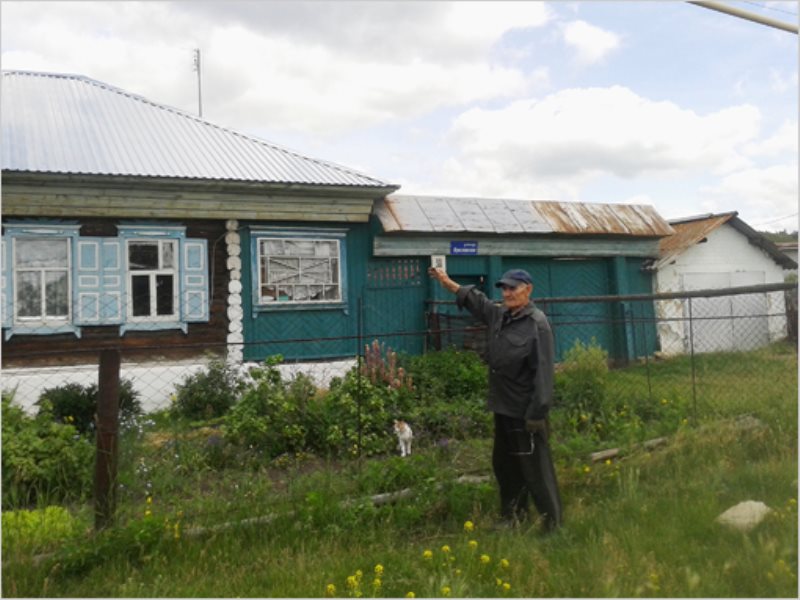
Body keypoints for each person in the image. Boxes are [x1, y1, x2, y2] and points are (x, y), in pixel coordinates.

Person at [428, 266, 562, 532]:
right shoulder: (500, 316)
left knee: (536, 470)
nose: (508, 293)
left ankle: (553, 526)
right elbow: (478, 301)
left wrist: (537, 414)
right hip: (503, 408)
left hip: (526, 412)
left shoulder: (537, 325)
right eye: (504, 288)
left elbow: (544, 374)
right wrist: (448, 283)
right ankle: (513, 518)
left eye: (513, 288)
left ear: (528, 289)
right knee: (505, 466)